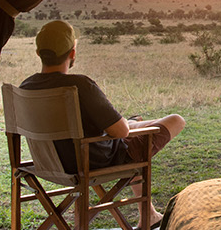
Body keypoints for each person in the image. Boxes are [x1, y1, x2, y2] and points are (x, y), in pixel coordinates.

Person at [20, 20, 185, 180]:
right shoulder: (80, 86)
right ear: (72, 53)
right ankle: (145, 208)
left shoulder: (26, 87)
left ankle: (146, 209)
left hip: (52, 162)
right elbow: (120, 132)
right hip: (94, 162)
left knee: (130, 127)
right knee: (176, 120)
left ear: (38, 53)